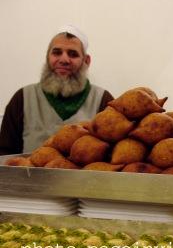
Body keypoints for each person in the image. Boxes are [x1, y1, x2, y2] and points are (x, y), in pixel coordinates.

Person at [0, 25, 114, 155]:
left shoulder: (103, 100)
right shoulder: (22, 99)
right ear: (48, 57)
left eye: (73, 54)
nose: (64, 60)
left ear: (86, 61)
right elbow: (5, 155)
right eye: (57, 52)